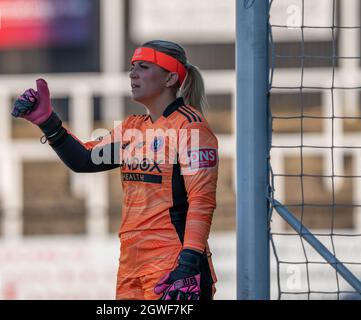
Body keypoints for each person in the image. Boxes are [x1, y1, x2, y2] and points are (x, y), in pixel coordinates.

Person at [11, 40, 219, 300]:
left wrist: (188, 264)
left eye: (143, 67)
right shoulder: (133, 128)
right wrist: (48, 122)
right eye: (132, 67)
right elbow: (85, 159)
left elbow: (202, 200)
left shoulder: (190, 128)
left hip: (173, 266)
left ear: (170, 78)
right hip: (131, 266)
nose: (132, 74)